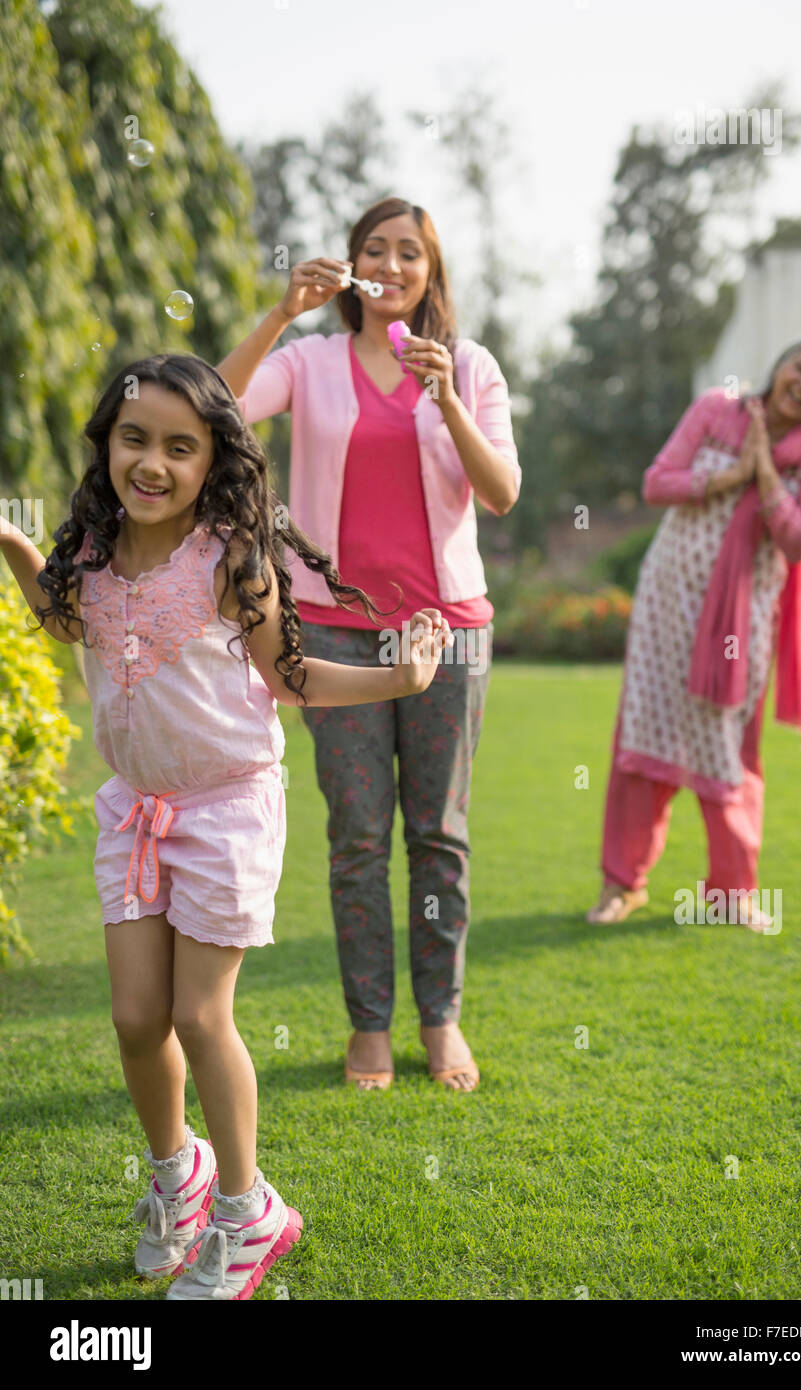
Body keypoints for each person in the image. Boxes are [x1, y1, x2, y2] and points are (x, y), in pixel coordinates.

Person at [0, 353, 452, 1299]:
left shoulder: (228, 559)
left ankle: (250, 1215)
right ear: (105, 445)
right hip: (137, 809)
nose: (153, 463)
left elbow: (293, 679)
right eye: (135, 439)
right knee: (135, 1020)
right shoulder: (88, 549)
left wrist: (400, 679)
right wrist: (11, 542)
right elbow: (65, 619)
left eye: (180, 446)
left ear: (215, 462)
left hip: (227, 809)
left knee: (201, 1016)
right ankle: (180, 1175)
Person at [218, 196, 520, 1091]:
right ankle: (369, 1026)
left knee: (440, 836)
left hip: (447, 633)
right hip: (334, 631)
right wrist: (279, 313)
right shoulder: (309, 361)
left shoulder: (468, 365)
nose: (391, 265)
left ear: (431, 274)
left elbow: (500, 490)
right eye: (373, 251)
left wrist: (447, 400)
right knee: (356, 837)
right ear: (350, 268)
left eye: (409, 254)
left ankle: (442, 1019)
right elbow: (213, 404)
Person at [586, 329, 801, 930]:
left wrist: (762, 473)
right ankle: (621, 884)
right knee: (645, 732)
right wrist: (731, 477)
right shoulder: (715, 409)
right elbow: (657, 483)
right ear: (781, 362)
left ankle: (732, 895)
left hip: (743, 618)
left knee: (728, 744)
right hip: (666, 603)